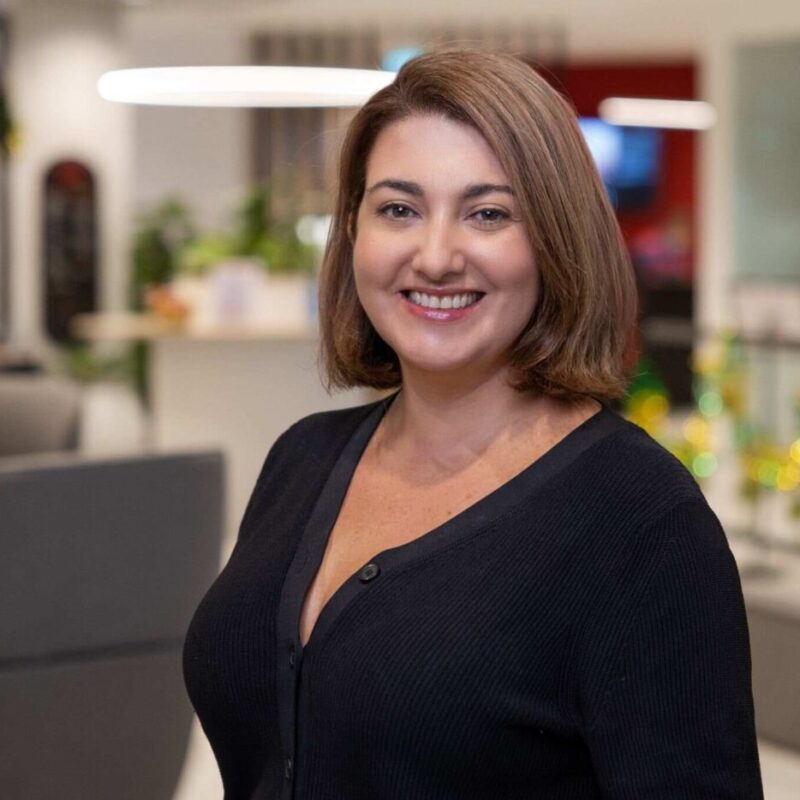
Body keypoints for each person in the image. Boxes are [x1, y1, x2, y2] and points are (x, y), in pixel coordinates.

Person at [183, 49, 763, 799]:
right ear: (353, 230)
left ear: (555, 240)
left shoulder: (640, 522)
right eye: (398, 209)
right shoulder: (302, 458)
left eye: (488, 214)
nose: (435, 257)